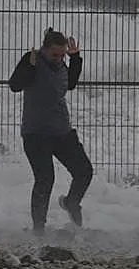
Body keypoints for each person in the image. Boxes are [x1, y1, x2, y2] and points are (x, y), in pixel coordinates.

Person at [8, 27, 93, 235]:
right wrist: (30, 65)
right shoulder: (33, 59)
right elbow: (15, 85)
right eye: (55, 55)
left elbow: (69, 84)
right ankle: (39, 229)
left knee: (84, 171)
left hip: (62, 132)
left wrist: (75, 59)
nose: (58, 58)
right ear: (45, 50)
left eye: (62, 55)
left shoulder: (63, 63)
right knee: (45, 179)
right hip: (36, 133)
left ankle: (71, 203)